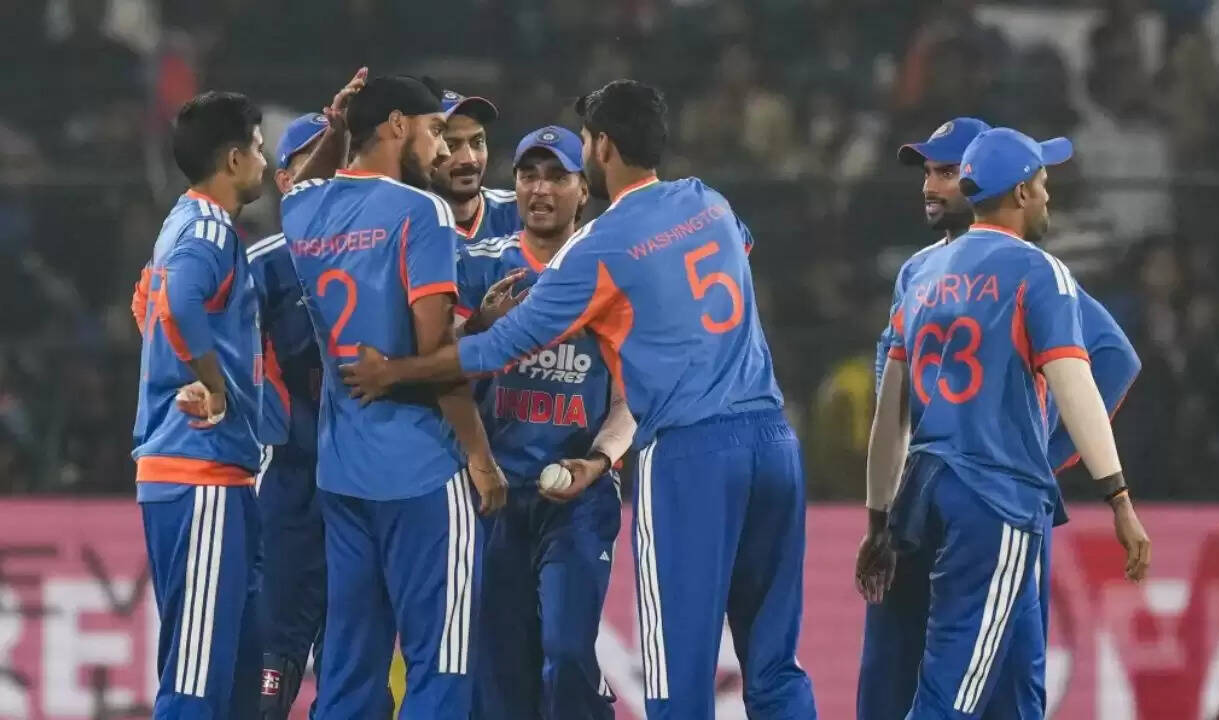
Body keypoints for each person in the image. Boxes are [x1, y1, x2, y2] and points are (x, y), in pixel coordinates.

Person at [339, 79, 818, 720]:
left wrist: (395, 372)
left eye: (584, 144)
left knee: (677, 673)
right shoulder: (708, 201)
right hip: (774, 441)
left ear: (602, 150)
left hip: (692, 450)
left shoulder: (600, 246)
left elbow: (497, 346)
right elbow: (735, 247)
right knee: (775, 664)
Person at [855, 118, 1142, 719]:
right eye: (1042, 183)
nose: (931, 185)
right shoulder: (1034, 270)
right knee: (953, 688)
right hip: (994, 492)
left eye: (946, 171)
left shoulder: (920, 273)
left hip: (925, 487)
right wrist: (1111, 492)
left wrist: (880, 514)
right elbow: (1084, 377)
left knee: (1000, 682)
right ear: (1020, 190)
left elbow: (890, 411)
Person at [279, 74, 507, 718]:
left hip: (343, 471)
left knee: (350, 668)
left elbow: (301, 188)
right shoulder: (422, 211)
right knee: (441, 666)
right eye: (435, 131)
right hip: (423, 471)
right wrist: (480, 457)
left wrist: (338, 127)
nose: (444, 149)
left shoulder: (302, 212)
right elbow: (436, 354)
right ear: (398, 125)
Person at [460, 126, 632, 720]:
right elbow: (437, 370)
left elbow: (630, 400)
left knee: (565, 652)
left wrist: (599, 461)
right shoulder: (477, 265)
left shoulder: (612, 272)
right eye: (529, 175)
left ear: (584, 189)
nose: (541, 189)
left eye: (558, 176)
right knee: (500, 680)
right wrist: (476, 327)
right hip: (492, 497)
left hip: (577, 501)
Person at [130, 90, 268, 719]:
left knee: (231, 669)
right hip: (201, 468)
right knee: (196, 676)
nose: (264, 161)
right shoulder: (209, 229)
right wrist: (211, 381)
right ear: (234, 159)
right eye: (258, 149)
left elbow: (148, 304)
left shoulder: (179, 222)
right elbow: (179, 302)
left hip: (203, 472)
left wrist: (180, 361)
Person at [247, 112, 329, 720]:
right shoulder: (264, 265)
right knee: (276, 640)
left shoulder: (380, 250)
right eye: (312, 163)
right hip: (288, 471)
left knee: (353, 642)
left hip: (363, 473)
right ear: (283, 181)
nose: (328, 174)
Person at [430, 89, 521, 243]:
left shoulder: (522, 212)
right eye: (450, 146)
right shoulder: (401, 225)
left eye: (477, 142)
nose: (469, 159)